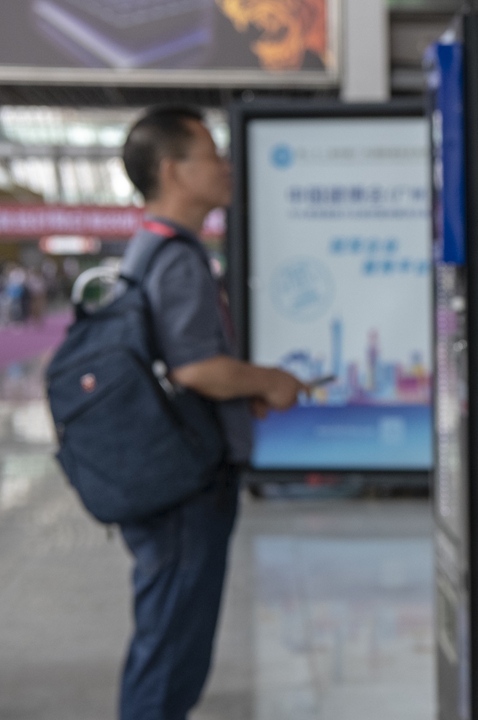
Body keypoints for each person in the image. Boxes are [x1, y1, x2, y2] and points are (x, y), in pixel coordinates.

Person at [116, 105, 307, 720]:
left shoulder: (150, 250)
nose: (225, 168)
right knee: (171, 648)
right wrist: (269, 380)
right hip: (184, 485)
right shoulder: (175, 258)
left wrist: (238, 388)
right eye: (212, 155)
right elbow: (196, 367)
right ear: (173, 170)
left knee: (170, 637)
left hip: (167, 469)